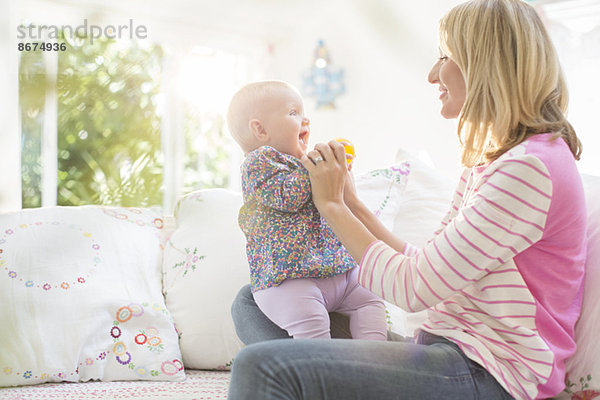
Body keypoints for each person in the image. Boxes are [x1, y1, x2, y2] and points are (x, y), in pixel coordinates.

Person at [227, 0, 587, 399]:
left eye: (444, 57)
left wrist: (331, 207)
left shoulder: (531, 168)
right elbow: (427, 264)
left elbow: (413, 287)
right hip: (447, 348)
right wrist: (353, 204)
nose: (434, 74)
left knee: (262, 367)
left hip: (492, 375)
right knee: (254, 300)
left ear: (484, 63)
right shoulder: (494, 161)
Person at [226, 80, 388, 341]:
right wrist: (314, 167)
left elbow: (340, 207)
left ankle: (376, 357)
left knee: (370, 297)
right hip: (290, 279)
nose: (306, 120)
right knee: (310, 322)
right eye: (293, 113)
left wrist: (337, 174)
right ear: (260, 130)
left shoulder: (301, 163)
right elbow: (287, 196)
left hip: (338, 269)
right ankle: (321, 369)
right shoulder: (259, 163)